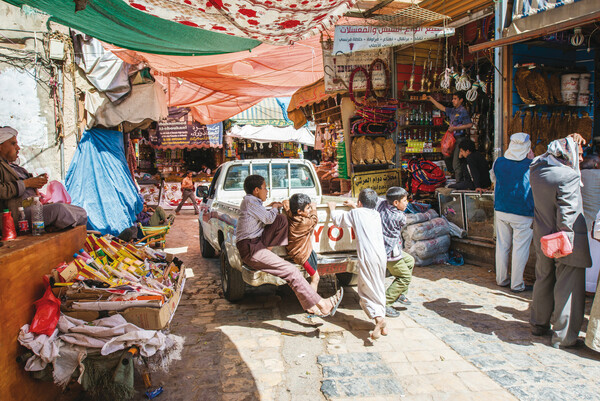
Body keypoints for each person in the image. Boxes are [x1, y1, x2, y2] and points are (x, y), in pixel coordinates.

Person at [236, 175, 343, 317]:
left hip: (257, 244)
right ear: (256, 190)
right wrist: (274, 207)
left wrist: (275, 208)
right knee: (292, 272)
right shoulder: (250, 201)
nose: (267, 191)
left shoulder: (253, 202)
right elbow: (268, 219)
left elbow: (271, 218)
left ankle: (311, 306)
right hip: (252, 249)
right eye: (265, 187)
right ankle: (324, 305)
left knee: (280, 219)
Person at [529, 134, 592, 349]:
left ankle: (538, 324)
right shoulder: (569, 176)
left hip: (541, 235)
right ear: (567, 154)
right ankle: (564, 336)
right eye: (579, 154)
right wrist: (567, 240)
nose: (581, 159)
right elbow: (568, 213)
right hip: (564, 238)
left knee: (544, 278)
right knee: (568, 285)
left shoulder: (536, 170)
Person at [0, 126, 87, 233]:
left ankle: (56, 226)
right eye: (13, 144)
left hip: (33, 208)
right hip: (17, 215)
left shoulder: (14, 166)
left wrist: (36, 182)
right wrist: (27, 183)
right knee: (59, 210)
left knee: (80, 211)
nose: (18, 148)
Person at [328, 189, 388, 340]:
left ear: (360, 203)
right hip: (381, 256)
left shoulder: (356, 213)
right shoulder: (376, 214)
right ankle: (381, 318)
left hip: (368, 257)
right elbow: (362, 215)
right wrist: (354, 206)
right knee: (378, 287)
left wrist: (332, 208)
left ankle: (378, 319)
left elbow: (337, 220)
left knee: (365, 290)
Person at [491, 133, 535, 293]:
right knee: (520, 248)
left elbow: (493, 179)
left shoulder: (499, 162)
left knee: (502, 246)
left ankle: (501, 279)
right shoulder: (532, 164)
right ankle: (517, 284)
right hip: (523, 211)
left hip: (502, 209)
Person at [376, 187, 414, 318]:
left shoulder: (381, 204)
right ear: (396, 203)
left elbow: (375, 199)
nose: (407, 203)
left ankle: (399, 293)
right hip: (390, 251)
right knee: (404, 277)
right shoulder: (399, 217)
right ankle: (385, 303)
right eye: (404, 200)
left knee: (410, 260)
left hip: (385, 248)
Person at [423, 92, 473, 180]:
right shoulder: (453, 110)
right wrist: (431, 100)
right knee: (446, 156)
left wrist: (455, 128)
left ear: (461, 100)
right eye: (453, 98)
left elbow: (469, 125)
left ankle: (458, 182)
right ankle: (454, 175)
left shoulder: (463, 111)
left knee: (456, 162)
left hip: (459, 139)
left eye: (455, 99)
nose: (453, 100)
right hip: (452, 139)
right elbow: (442, 108)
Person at [283, 193, 320, 292]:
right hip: (303, 255)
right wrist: (314, 208)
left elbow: (286, 203)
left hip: (301, 251)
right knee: (315, 278)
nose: (309, 210)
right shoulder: (304, 222)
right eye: (308, 208)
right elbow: (315, 220)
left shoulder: (290, 213)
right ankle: (312, 304)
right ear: (299, 211)